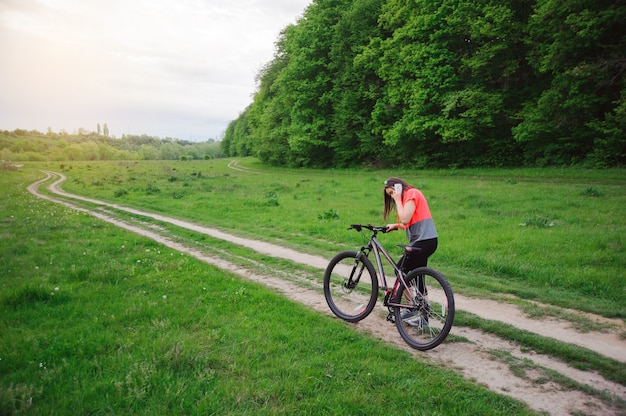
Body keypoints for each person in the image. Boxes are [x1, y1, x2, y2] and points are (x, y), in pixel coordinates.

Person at [383, 177, 438, 274]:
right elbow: (414, 222)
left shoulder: (411, 193)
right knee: (418, 275)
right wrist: (396, 225)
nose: (392, 196)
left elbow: (405, 219)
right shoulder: (410, 195)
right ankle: (420, 290)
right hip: (427, 240)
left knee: (399, 270)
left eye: (392, 193)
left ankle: (404, 289)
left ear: (398, 187)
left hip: (424, 241)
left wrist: (398, 200)